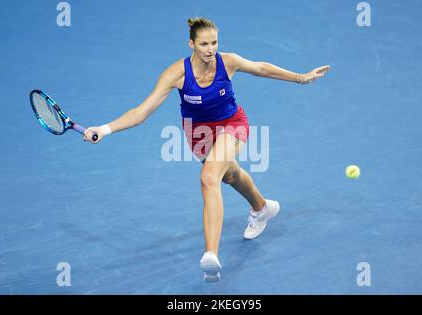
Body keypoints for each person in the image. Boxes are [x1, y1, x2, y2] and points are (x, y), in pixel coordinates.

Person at [84, 17, 331, 282]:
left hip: (232, 124)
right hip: (198, 134)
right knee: (231, 175)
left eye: (214, 42)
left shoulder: (228, 62)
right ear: (191, 44)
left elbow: (261, 68)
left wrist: (300, 78)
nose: (210, 49)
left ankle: (210, 255)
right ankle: (262, 208)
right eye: (204, 44)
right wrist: (105, 129)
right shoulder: (176, 74)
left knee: (209, 177)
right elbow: (141, 112)